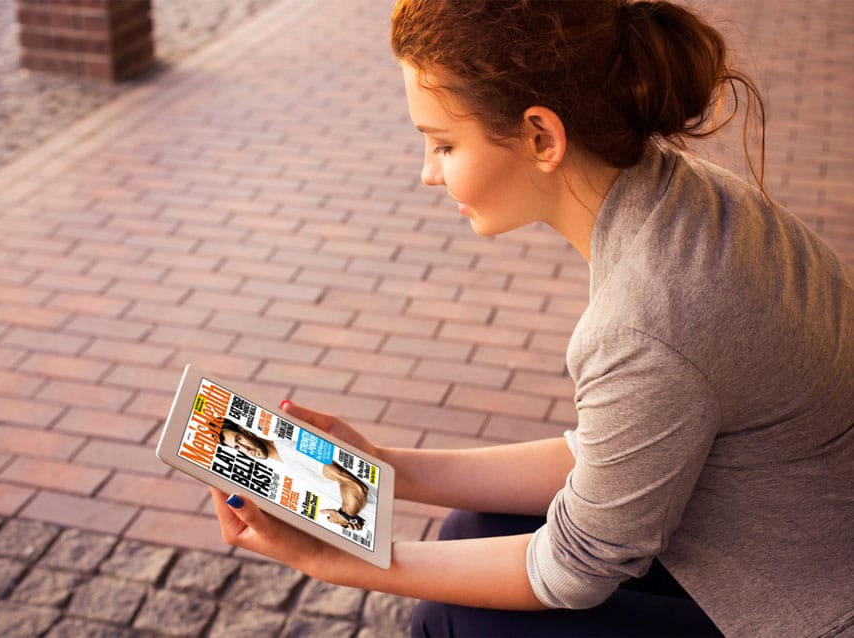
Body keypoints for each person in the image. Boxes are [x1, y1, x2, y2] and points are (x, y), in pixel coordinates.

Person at [208, 1, 854, 636]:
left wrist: (334, 562)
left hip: (806, 608)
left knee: (452, 621)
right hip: (781, 545)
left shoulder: (646, 320)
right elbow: (614, 450)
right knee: (472, 527)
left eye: (443, 145)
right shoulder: (684, 198)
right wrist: (384, 468)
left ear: (543, 137)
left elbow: (576, 569)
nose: (428, 173)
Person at [216, 418, 373, 530]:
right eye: (237, 447)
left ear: (246, 431)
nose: (245, 449)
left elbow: (355, 486)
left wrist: (345, 516)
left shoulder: (292, 450)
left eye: (239, 439)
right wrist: (350, 518)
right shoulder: (281, 464)